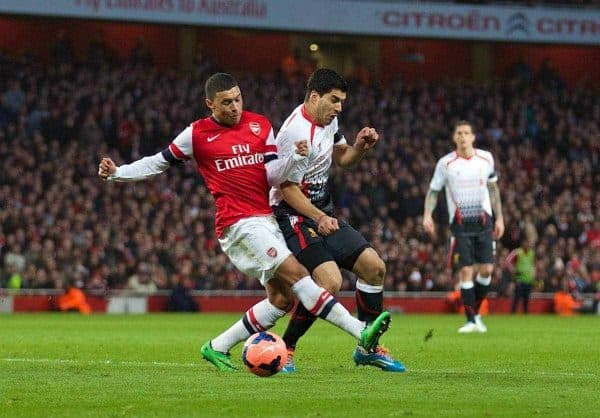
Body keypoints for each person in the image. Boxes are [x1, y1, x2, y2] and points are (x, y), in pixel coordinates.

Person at [98, 72, 391, 371]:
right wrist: (118, 173)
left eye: (238, 99)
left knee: (280, 300)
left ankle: (217, 347)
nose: (235, 107)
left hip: (267, 219)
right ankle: (361, 332)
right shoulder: (197, 134)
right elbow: (159, 161)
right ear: (210, 104)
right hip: (238, 223)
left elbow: (275, 177)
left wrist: (296, 160)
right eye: (226, 103)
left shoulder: (260, 125)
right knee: (299, 275)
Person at [269, 68, 405, 372]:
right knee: (329, 282)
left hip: (321, 214)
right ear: (314, 96)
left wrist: (359, 148)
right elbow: (286, 188)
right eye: (334, 100)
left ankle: (366, 347)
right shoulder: (294, 132)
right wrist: (317, 217)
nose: (339, 107)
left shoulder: (329, 121)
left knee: (374, 268)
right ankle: (286, 349)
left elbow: (343, 159)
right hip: (293, 216)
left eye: (342, 101)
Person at [423, 120, 504, 333]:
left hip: (484, 222)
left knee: (486, 269)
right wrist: (427, 215)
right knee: (466, 272)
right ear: (454, 138)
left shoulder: (486, 159)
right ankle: (470, 320)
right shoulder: (446, 164)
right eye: (458, 133)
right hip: (459, 225)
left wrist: (500, 219)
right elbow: (433, 191)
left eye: (466, 133)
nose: (462, 136)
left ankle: (475, 313)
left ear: (473, 137)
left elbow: (494, 190)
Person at [507, 238, 536, 314]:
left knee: (526, 299)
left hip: (528, 279)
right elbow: (508, 261)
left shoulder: (531, 253)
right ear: (522, 244)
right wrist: (513, 270)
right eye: (526, 243)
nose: (527, 245)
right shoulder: (517, 252)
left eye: (528, 243)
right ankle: (513, 313)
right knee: (517, 298)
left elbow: (533, 265)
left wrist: (533, 274)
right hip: (519, 279)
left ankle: (525, 314)